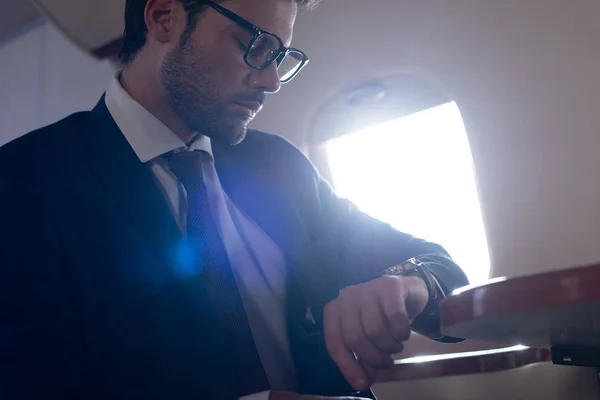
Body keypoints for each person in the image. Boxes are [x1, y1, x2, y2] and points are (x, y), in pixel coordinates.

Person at [0, 0, 470, 399]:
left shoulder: (278, 166)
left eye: (281, 56)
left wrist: (407, 283)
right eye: (257, 46)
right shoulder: (24, 183)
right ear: (165, 17)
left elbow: (441, 266)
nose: (271, 81)